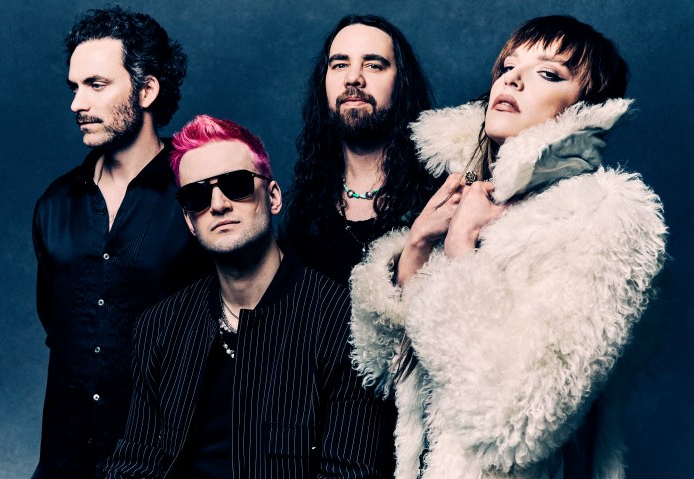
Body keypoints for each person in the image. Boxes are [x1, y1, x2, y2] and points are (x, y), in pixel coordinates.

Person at [349, 15, 666, 478]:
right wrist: (418, 245)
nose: (512, 79)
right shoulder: (471, 198)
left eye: (548, 73)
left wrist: (461, 250)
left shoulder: (605, 214)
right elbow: (380, 375)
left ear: (584, 108)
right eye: (508, 67)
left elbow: (516, 421)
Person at [104, 115, 395, 478]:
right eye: (197, 196)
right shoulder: (159, 327)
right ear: (190, 221)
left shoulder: (341, 321)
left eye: (236, 185)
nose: (218, 204)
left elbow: (349, 474)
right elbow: (135, 464)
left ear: (273, 197)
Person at [32, 7, 209, 478]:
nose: (77, 103)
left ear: (146, 90)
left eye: (96, 84)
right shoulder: (54, 204)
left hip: (167, 464)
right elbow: (57, 324)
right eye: (74, 87)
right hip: (65, 463)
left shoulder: (201, 197)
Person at [283, 14, 441, 285]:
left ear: (401, 83)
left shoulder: (438, 195)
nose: (353, 78)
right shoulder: (303, 213)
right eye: (340, 64)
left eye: (373, 65)